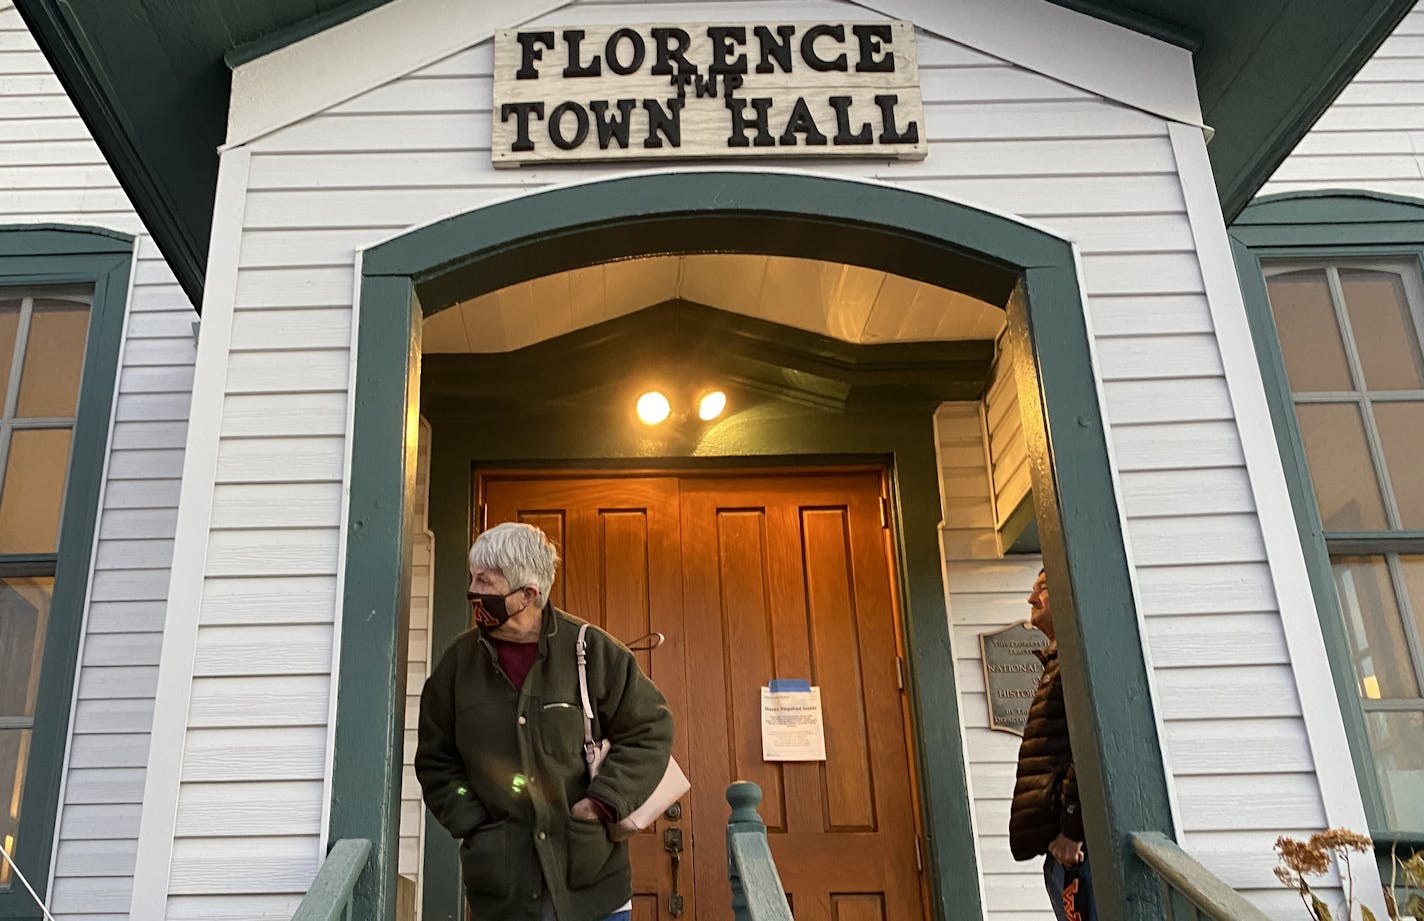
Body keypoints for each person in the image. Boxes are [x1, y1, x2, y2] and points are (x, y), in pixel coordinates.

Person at [416, 522, 674, 921]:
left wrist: (601, 803)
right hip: (503, 895)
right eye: (472, 578)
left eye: (485, 581)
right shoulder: (456, 666)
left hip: (594, 893)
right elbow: (436, 760)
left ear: (528, 594)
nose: (474, 592)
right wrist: (476, 823)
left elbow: (649, 731)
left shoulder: (593, 652)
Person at [1009, 568, 1097, 921]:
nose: (1032, 599)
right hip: (1063, 851)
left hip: (1078, 850)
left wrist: (1072, 830)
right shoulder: (1059, 663)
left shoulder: (1077, 662)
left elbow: (1088, 747)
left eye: (1042, 589)